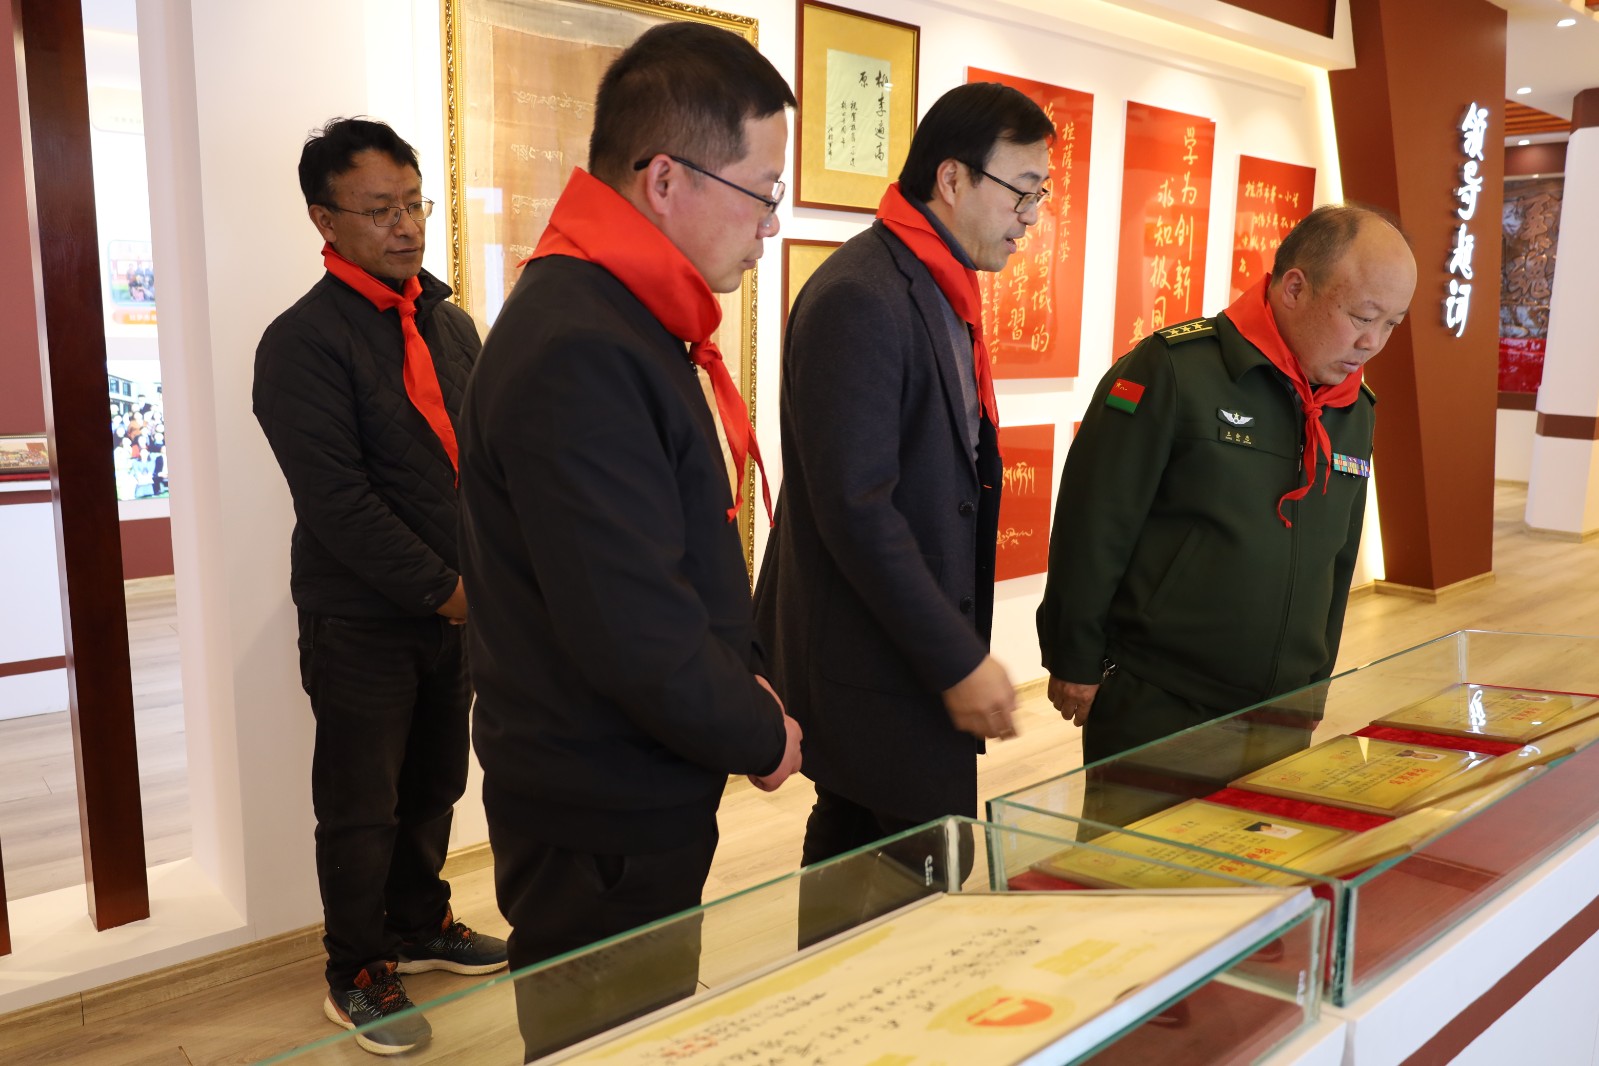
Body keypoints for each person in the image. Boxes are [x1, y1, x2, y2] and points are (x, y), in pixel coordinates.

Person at [457, 22, 802, 1059]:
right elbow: (631, 626)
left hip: (623, 774)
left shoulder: (611, 314)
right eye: (763, 191)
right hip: (597, 795)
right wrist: (758, 729)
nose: (769, 226)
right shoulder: (582, 343)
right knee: (605, 1040)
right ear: (664, 179)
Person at [253, 117, 506, 1058]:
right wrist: (448, 589)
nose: (405, 226)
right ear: (324, 219)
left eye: (413, 204)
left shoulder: (451, 324)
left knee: (437, 779)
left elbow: (481, 461)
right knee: (362, 804)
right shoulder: (299, 343)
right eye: (379, 210)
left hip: (458, 608)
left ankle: (418, 922)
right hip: (360, 619)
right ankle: (356, 969)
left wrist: (486, 579)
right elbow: (337, 502)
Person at [754, 82, 1054, 873]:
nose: (1031, 216)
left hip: (898, 653)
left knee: (866, 853)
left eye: (1040, 194)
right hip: (874, 660)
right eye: (1021, 191)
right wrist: (956, 658)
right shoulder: (862, 294)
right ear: (952, 179)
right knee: (912, 868)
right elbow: (857, 508)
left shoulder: (932, 283)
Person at [1037, 204, 1417, 769]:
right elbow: (1094, 522)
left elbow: (1336, 560)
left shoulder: (1353, 408)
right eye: (1363, 316)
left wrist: (1316, 681)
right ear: (1295, 288)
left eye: (1391, 324)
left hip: (1284, 711)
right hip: (1162, 698)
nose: (1373, 343)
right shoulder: (1174, 370)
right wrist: (1074, 655)